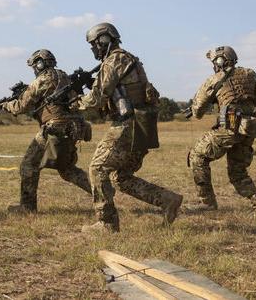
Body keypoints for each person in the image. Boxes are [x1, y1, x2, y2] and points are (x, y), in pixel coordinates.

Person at [76, 22, 182, 233]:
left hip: (128, 124)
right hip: (143, 124)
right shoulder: (128, 58)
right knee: (121, 177)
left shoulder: (113, 61)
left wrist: (76, 102)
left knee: (97, 169)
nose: (93, 49)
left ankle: (106, 223)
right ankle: (168, 200)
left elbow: (96, 99)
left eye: (94, 44)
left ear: (104, 40)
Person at [0, 49, 92, 213]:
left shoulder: (41, 81)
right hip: (74, 127)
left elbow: (21, 106)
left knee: (28, 165)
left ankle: (27, 208)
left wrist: (6, 105)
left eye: (34, 66)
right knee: (67, 169)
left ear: (39, 64)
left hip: (54, 128)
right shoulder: (64, 77)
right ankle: (102, 193)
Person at [186, 46, 256, 216]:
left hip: (229, 128)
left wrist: (209, 102)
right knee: (237, 172)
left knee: (197, 156)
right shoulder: (250, 74)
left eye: (214, 62)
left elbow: (197, 112)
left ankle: (207, 203)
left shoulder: (214, 80)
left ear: (220, 61)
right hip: (247, 129)